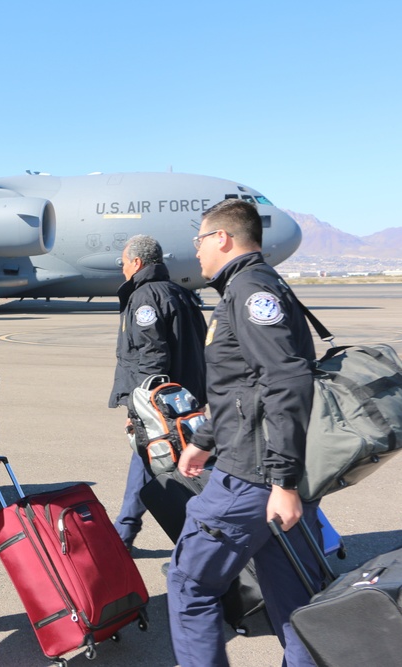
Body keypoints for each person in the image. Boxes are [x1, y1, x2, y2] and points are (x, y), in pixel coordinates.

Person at [167, 199, 323, 666]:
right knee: (295, 599)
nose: (196, 253)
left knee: (190, 584)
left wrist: (283, 482)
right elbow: (245, 386)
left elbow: (287, 380)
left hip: (254, 478)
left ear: (222, 239)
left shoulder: (249, 291)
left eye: (199, 241)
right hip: (269, 471)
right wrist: (203, 440)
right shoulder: (261, 284)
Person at [108, 234, 207, 550]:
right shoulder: (182, 293)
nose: (122, 269)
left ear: (136, 263)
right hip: (189, 402)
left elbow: (151, 355)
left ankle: (122, 536)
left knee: (149, 463)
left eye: (124, 263)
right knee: (177, 469)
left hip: (163, 407)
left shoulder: (145, 298)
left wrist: (140, 411)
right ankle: (126, 532)